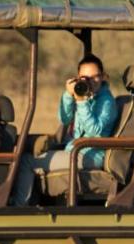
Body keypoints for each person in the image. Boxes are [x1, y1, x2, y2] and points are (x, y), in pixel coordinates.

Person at [10, 53, 119, 206]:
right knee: (28, 154)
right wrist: (69, 95)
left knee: (26, 161)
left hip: (90, 154)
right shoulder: (83, 93)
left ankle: (19, 208)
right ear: (78, 77)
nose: (91, 82)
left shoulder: (107, 101)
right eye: (85, 78)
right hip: (75, 150)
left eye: (95, 77)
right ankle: (33, 204)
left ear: (103, 77)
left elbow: (96, 132)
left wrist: (82, 103)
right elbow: (64, 119)